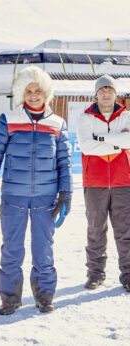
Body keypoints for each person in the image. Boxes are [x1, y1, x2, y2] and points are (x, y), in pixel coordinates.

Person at [0, 65, 72, 315]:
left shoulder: (57, 124)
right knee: (12, 250)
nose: (33, 95)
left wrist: (66, 194)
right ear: (22, 93)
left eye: (38, 91)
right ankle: (10, 298)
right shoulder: (9, 120)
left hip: (45, 198)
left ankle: (45, 296)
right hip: (14, 197)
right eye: (28, 90)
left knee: (44, 251)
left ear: (46, 94)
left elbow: (64, 162)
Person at [76, 74, 130, 292]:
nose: (106, 94)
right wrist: (118, 143)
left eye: (110, 90)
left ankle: (128, 274)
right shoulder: (84, 118)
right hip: (95, 182)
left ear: (115, 93)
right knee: (95, 229)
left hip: (123, 181)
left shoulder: (126, 116)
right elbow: (87, 147)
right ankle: (95, 273)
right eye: (102, 90)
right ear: (96, 94)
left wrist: (101, 139)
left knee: (125, 230)